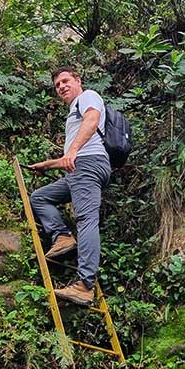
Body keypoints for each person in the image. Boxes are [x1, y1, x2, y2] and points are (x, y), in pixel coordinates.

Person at [28, 66, 112, 306]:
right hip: (80, 168)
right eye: (57, 85)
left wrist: (72, 151)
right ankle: (62, 236)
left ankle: (85, 286)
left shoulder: (88, 97)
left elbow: (92, 119)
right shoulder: (73, 112)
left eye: (65, 81)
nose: (62, 87)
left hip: (87, 165)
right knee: (40, 198)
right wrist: (49, 165)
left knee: (86, 219)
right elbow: (74, 155)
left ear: (78, 80)